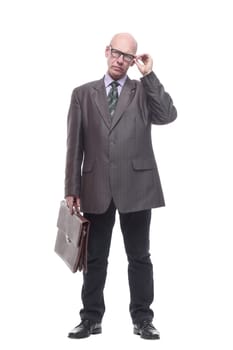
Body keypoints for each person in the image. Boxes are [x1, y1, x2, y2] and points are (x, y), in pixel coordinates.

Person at [64, 32, 177, 340]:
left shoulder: (142, 92)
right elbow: (75, 145)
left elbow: (168, 115)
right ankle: (90, 318)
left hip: (137, 186)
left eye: (127, 56)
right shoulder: (82, 94)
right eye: (116, 53)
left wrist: (150, 75)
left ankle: (143, 319)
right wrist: (71, 187)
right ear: (107, 51)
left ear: (133, 60)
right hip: (95, 186)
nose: (120, 60)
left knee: (139, 256)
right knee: (95, 257)